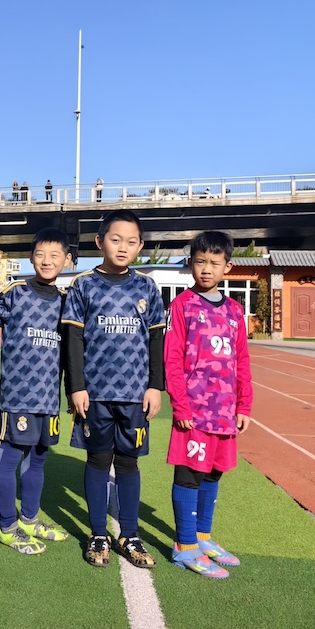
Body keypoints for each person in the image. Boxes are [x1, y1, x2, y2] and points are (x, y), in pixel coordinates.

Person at [62, 209, 166, 569]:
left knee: (128, 463)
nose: (123, 247)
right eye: (115, 239)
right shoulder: (83, 285)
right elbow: (73, 340)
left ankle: (129, 534)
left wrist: (155, 386)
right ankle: (97, 534)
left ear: (140, 246)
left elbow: (156, 340)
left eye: (131, 241)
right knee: (97, 460)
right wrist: (76, 387)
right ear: (99, 241)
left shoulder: (147, 287)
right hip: (95, 394)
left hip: (135, 395)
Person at [164, 231, 253, 578]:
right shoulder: (182, 305)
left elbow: (241, 360)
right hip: (194, 414)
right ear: (190, 264)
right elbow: (172, 359)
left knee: (214, 473)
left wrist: (244, 405)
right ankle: (184, 545)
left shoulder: (234, 310)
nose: (206, 269)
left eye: (214, 263)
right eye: (200, 262)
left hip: (225, 412)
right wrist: (181, 407)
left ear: (227, 267)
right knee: (189, 474)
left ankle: (202, 537)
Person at [0, 228, 71, 554]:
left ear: (67, 260)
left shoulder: (66, 301)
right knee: (9, 461)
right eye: (40, 255)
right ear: (31, 258)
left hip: (49, 399)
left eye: (55, 255)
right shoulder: (16, 292)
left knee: (38, 461)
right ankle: (7, 527)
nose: (47, 261)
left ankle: (29, 521)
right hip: (18, 396)